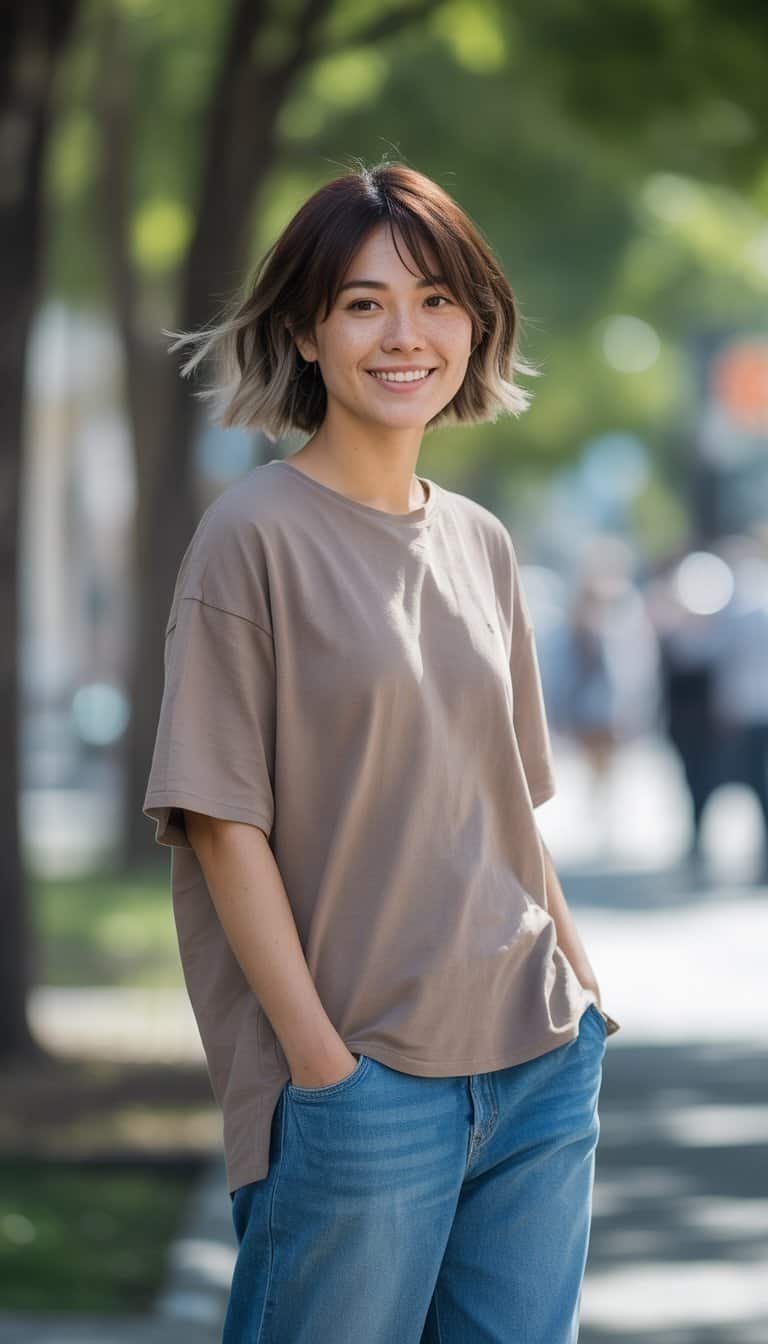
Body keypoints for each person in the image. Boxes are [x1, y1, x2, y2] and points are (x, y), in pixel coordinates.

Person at [142, 160, 621, 1344]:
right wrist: (323, 1069)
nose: (406, 334)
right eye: (364, 303)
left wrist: (585, 1000)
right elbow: (221, 827)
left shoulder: (484, 543)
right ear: (307, 333)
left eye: (436, 300)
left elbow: (507, 809)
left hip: (538, 1063)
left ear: (475, 323)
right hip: (363, 1086)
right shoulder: (251, 536)